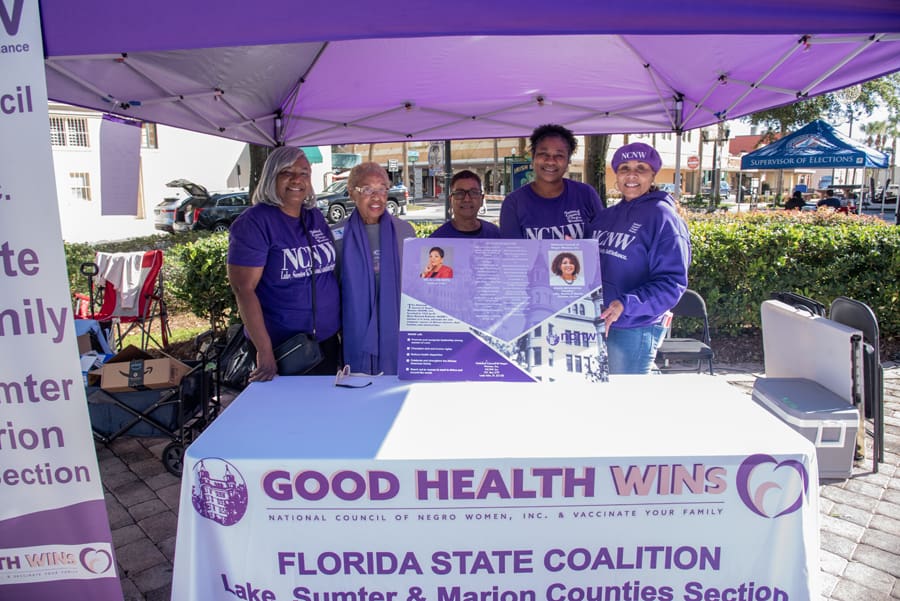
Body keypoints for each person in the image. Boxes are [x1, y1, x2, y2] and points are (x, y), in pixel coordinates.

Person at [227, 146, 341, 381]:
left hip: (325, 342)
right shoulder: (254, 223)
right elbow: (243, 289)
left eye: (304, 173)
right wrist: (264, 351)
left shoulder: (313, 216)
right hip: (284, 349)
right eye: (287, 172)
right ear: (271, 176)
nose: (297, 179)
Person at [590, 142, 691, 375]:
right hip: (597, 322)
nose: (632, 174)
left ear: (653, 175)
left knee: (627, 395)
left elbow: (672, 283)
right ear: (616, 175)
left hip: (634, 327)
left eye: (641, 168)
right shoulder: (605, 217)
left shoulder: (663, 218)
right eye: (624, 168)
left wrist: (626, 304)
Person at [332, 161, 416, 375]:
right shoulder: (336, 235)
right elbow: (331, 289)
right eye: (367, 189)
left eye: (382, 189)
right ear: (352, 193)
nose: (377, 197)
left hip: (396, 331)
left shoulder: (405, 231)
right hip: (355, 331)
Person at [499, 124, 603, 239]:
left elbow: (603, 241)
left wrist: (579, 248)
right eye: (544, 154)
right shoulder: (514, 203)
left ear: (568, 161)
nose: (551, 161)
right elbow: (512, 249)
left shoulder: (586, 194)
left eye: (559, 155)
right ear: (533, 157)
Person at [430, 170, 501, 238]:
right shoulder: (436, 240)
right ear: (450, 200)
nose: (467, 199)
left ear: (482, 199)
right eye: (459, 193)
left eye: (473, 193)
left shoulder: (495, 235)